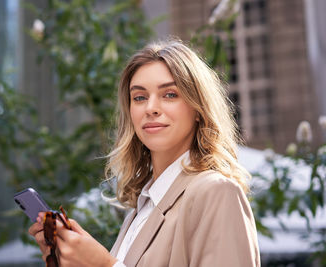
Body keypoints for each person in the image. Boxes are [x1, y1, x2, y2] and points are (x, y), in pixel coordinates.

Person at [29, 39, 261, 267]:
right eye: (139, 97)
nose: (150, 108)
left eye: (170, 94)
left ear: (198, 109)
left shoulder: (216, 192)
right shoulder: (140, 211)